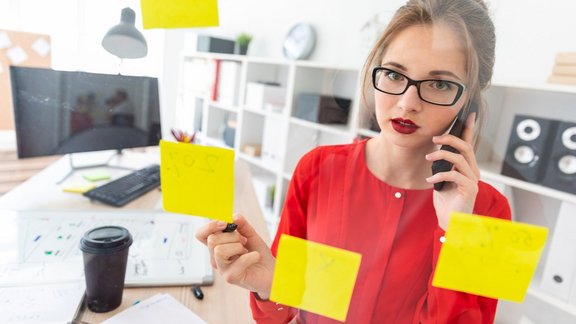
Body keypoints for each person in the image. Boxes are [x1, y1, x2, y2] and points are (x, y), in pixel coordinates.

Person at [196, 0, 511, 322]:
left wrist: (455, 233)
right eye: (393, 74)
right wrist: (269, 285)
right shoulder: (316, 168)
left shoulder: (494, 213)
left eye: (440, 84)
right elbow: (277, 315)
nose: (407, 103)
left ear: (469, 100)